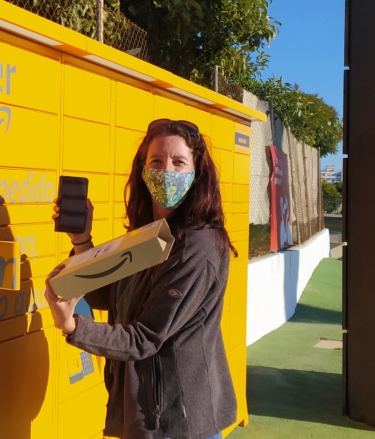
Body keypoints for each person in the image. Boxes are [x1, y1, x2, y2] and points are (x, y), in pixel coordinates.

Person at [45, 118, 238, 439]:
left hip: (178, 422)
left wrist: (73, 327)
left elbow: (144, 338)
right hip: (148, 414)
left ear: (196, 172)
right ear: (143, 170)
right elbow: (110, 297)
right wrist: (82, 241)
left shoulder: (197, 247)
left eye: (178, 162)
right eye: (157, 161)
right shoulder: (150, 234)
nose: (166, 171)